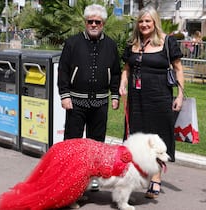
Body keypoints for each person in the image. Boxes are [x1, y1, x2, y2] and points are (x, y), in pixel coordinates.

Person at [119, 6, 184, 199]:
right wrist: (122, 84)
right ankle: (136, 174)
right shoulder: (133, 43)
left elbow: (178, 68)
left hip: (160, 97)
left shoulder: (167, 42)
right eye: (141, 21)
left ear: (155, 22)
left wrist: (179, 96)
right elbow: (126, 68)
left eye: (148, 21)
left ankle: (155, 177)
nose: (144, 24)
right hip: (136, 98)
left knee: (158, 136)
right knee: (137, 136)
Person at [57, 4, 121, 189]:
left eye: (97, 22)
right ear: (85, 22)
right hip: (75, 101)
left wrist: (115, 95)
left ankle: (92, 177)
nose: (93, 24)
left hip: (100, 102)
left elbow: (115, 72)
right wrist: (64, 95)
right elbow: (63, 71)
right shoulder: (72, 43)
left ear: (103, 23)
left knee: (96, 142)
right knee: (73, 141)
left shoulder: (111, 45)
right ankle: (69, 177)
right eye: (90, 21)